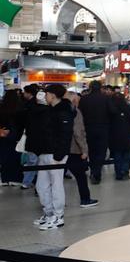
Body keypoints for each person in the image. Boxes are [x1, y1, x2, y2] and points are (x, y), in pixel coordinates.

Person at [33, 85, 76, 231]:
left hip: (56, 154)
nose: (45, 96)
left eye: (46, 94)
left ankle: (58, 216)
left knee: (56, 185)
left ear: (52, 95)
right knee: (41, 185)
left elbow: (66, 134)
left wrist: (60, 154)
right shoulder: (50, 110)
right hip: (45, 152)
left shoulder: (64, 111)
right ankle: (49, 213)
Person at [65, 91, 98, 208]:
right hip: (74, 149)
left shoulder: (59, 111)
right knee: (81, 176)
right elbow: (78, 132)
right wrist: (84, 150)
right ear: (74, 101)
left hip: (62, 149)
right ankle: (85, 199)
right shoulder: (75, 112)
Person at [17, 85, 42, 189]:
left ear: (29, 93)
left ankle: (27, 182)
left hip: (31, 135)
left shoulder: (28, 106)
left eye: (25, 92)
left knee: (32, 160)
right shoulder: (37, 105)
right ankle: (31, 181)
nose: (23, 94)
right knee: (35, 160)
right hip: (36, 136)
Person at [109, 93, 130, 181]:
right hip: (127, 135)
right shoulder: (128, 108)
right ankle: (125, 171)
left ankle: (118, 173)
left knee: (117, 154)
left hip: (115, 136)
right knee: (126, 154)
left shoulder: (111, 110)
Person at [0, 90, 23, 186]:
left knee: (4, 157)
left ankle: (4, 179)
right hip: (16, 137)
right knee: (15, 158)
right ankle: (15, 179)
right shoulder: (20, 108)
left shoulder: (1, 107)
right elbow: (22, 124)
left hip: (2, 135)